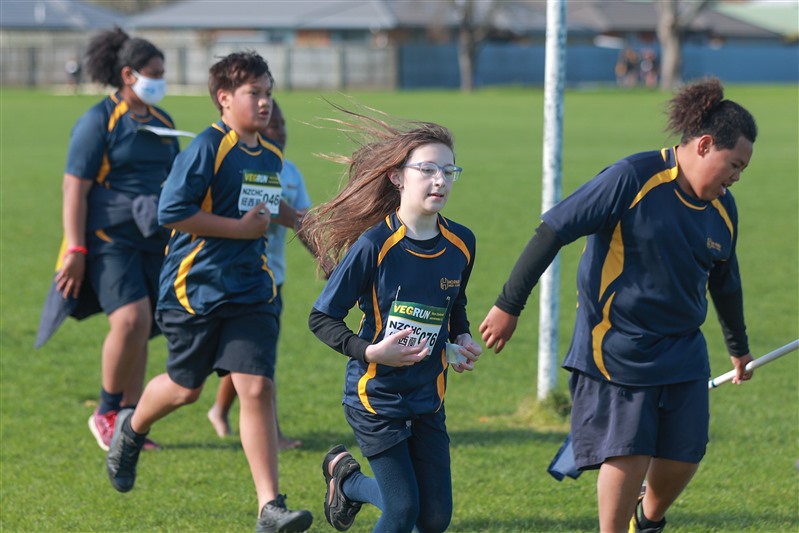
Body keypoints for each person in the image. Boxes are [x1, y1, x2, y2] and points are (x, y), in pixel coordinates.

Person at [479, 77, 757, 533]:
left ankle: (646, 520)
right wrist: (509, 305)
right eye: (734, 164)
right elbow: (554, 230)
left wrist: (738, 347)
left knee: (685, 454)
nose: (736, 177)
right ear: (705, 145)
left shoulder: (724, 210)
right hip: (617, 345)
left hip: (683, 350)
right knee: (628, 451)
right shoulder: (632, 178)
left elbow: (726, 282)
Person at [105, 51, 313, 533]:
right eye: (253, 93)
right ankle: (130, 428)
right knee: (185, 389)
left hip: (252, 288)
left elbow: (265, 204)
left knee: (256, 386)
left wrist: (306, 225)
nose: (264, 102)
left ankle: (269, 507)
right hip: (195, 290)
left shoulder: (271, 154)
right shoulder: (206, 147)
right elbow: (172, 211)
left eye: (268, 92)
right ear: (224, 98)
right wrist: (238, 230)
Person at [302, 108, 482, 532]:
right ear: (397, 177)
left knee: (433, 519)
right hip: (376, 397)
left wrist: (461, 337)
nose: (440, 180)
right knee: (402, 512)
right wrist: (371, 352)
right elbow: (322, 317)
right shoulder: (374, 245)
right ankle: (350, 483)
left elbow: (453, 301)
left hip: (428, 396)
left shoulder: (462, 242)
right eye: (427, 169)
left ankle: (347, 482)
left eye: (449, 171)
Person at [54, 27, 179, 452]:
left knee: (143, 327)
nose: (160, 80)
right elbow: (74, 188)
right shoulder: (98, 121)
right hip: (108, 239)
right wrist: (75, 248)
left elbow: (176, 183)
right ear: (128, 75)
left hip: (153, 239)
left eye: (162, 73)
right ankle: (105, 412)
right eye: (154, 73)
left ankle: (129, 421)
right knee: (129, 320)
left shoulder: (163, 122)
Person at [207, 100, 307, 450]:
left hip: (271, 278)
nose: (280, 131)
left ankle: (222, 411)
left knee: (251, 355)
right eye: (272, 125)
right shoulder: (241, 167)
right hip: (230, 276)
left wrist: (325, 258)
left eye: (282, 124)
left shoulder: (291, 172)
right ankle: (269, 433)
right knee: (248, 357)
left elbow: (302, 221)